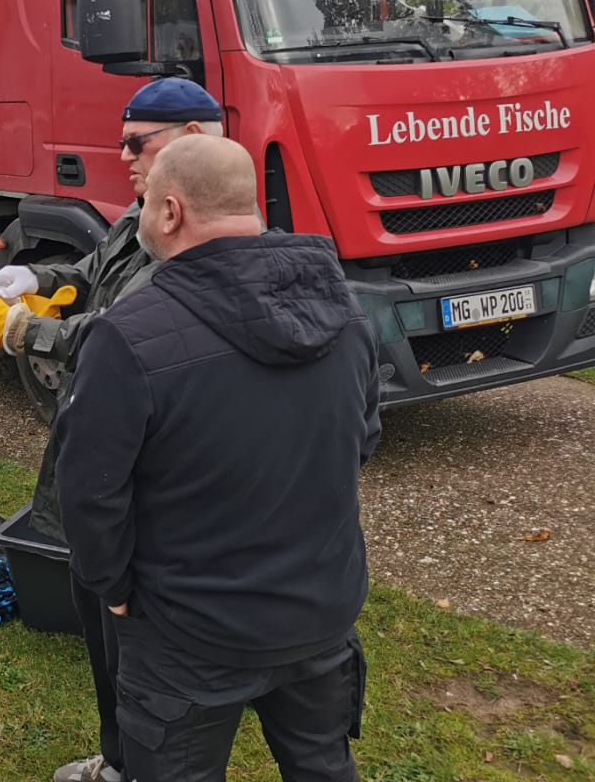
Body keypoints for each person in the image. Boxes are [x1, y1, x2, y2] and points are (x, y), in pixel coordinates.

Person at [58, 136, 382, 782]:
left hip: (187, 633)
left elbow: (88, 493)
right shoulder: (347, 313)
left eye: (145, 200)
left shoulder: (126, 335)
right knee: (324, 767)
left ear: (170, 212)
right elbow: (361, 440)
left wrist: (114, 589)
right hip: (318, 609)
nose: (142, 211)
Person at [0, 76, 225, 782]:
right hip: (95, 449)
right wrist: (39, 279)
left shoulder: (190, 241)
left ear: (193, 140)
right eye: (120, 143)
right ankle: (118, 759)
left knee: (132, 640)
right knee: (104, 633)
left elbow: (120, 334)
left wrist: (26, 332)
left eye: (138, 144)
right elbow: (93, 274)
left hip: (142, 475)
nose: (124, 157)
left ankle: (137, 762)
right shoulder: (139, 217)